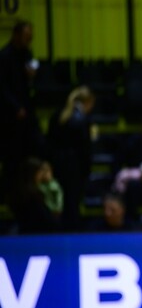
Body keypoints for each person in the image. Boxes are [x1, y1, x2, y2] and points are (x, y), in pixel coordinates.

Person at [0, 20, 44, 202]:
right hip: (9, 118)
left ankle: (28, 193)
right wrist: (15, 107)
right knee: (12, 159)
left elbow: (30, 82)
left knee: (34, 153)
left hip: (27, 113)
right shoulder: (4, 56)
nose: (29, 40)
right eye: (26, 36)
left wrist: (32, 76)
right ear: (16, 35)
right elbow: (1, 87)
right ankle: (10, 196)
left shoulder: (27, 54)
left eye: (31, 37)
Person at [47, 85, 96, 231]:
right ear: (88, 102)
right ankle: (73, 233)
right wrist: (86, 169)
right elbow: (85, 148)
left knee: (60, 202)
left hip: (57, 164)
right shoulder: (82, 119)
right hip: (75, 167)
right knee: (72, 203)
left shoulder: (58, 114)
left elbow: (49, 142)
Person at [8, 157, 62, 234]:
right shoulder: (33, 196)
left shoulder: (20, 191)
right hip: (36, 234)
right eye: (40, 172)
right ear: (33, 173)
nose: (42, 175)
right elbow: (48, 220)